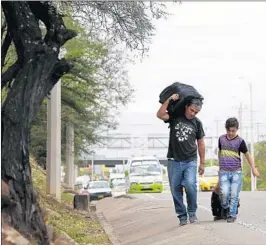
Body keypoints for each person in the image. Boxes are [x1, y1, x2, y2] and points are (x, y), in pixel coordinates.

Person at [157, 93, 206, 226]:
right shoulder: (175, 117)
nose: (193, 113)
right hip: (174, 160)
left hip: (190, 160)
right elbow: (160, 114)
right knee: (175, 189)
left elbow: (201, 143)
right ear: (186, 106)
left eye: (196, 112)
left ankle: (192, 213)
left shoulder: (197, 123)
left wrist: (202, 162)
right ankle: (182, 216)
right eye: (192, 110)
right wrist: (169, 99)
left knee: (190, 185)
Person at [218, 117, 260, 223]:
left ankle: (232, 214)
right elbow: (220, 152)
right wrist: (220, 165)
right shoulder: (221, 139)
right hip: (224, 171)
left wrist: (253, 168)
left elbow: (247, 155)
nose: (231, 133)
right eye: (229, 130)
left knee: (234, 194)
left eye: (233, 131)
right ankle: (226, 207)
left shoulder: (240, 141)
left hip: (236, 172)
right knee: (224, 194)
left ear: (237, 129)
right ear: (226, 129)